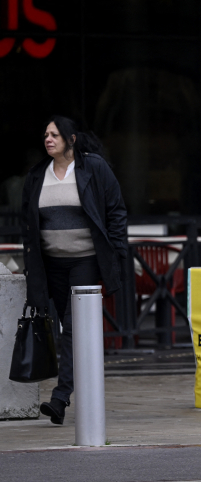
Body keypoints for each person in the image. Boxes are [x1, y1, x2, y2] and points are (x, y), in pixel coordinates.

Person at [21, 116, 127, 425]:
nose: (48, 139)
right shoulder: (37, 174)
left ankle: (60, 397)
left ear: (71, 139)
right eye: (46, 134)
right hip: (49, 264)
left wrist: (116, 250)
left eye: (54, 134)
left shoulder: (93, 168)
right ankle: (67, 389)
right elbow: (28, 222)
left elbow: (116, 210)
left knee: (72, 328)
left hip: (85, 260)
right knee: (56, 328)